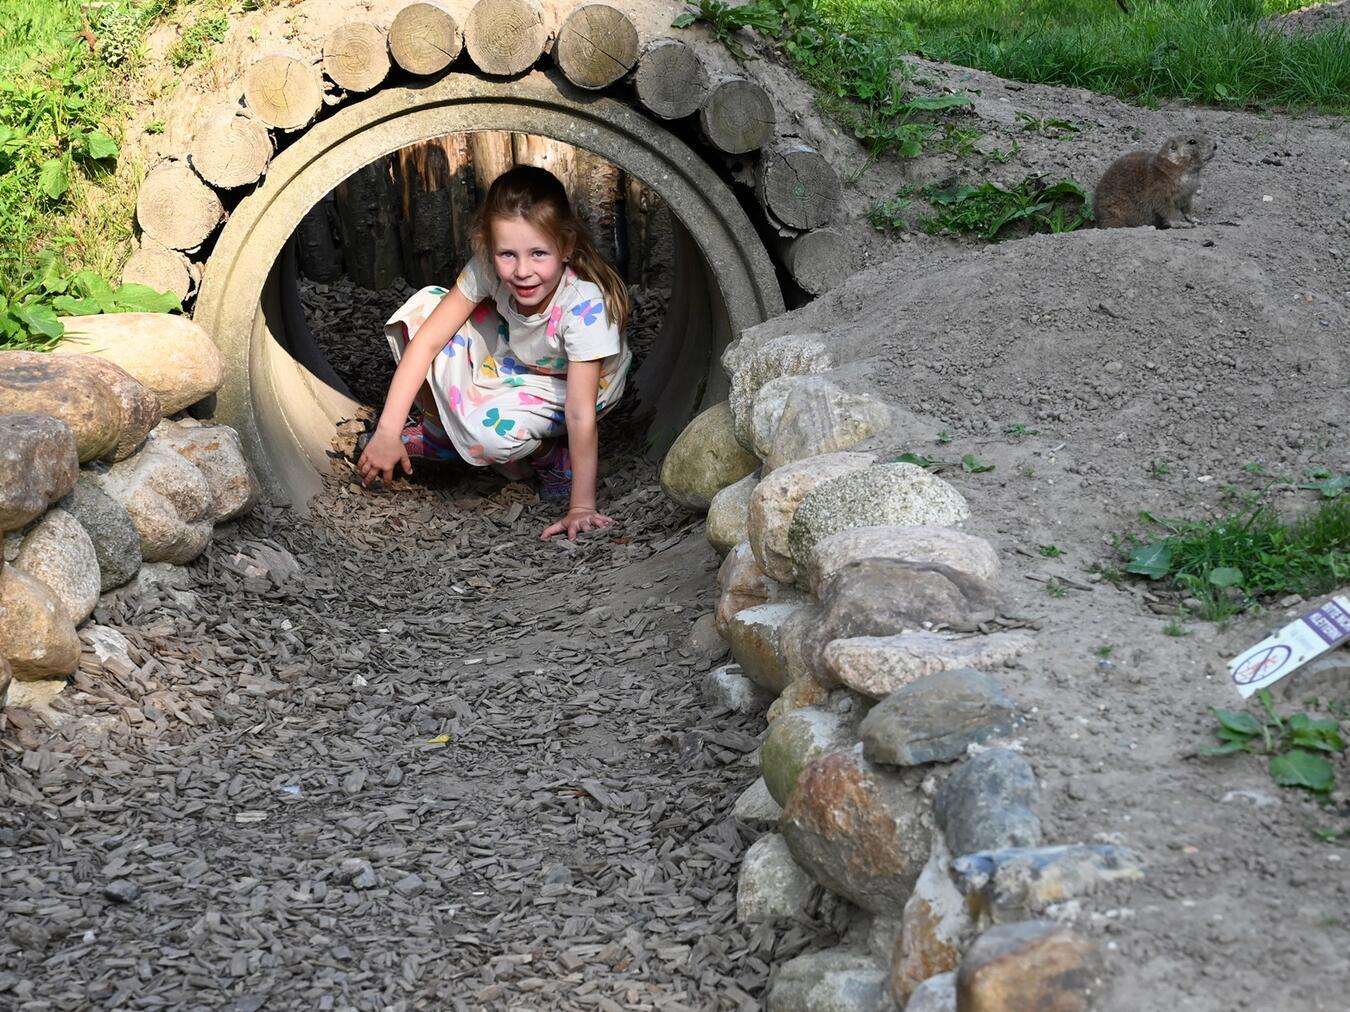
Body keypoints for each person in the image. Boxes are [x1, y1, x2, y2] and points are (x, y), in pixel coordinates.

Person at [356, 165, 632, 541]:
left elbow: (580, 413)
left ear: (566, 246)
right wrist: (387, 431)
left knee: (489, 432)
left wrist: (581, 506)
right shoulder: (488, 266)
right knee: (421, 315)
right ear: (490, 247)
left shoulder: (584, 305)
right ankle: (440, 431)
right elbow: (428, 343)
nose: (522, 270)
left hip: (578, 385)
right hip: (519, 360)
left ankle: (551, 456)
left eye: (538, 253)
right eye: (507, 255)